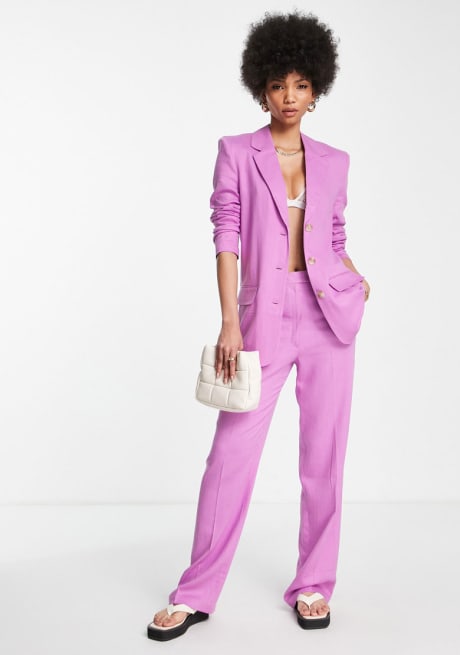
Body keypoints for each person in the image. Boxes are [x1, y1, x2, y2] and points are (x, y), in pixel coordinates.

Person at [147, 10, 371, 641]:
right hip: (261, 320)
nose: (289, 97)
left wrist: (356, 277)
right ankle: (195, 592)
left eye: (301, 85)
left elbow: (332, 237)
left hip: (329, 318)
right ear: (261, 89)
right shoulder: (236, 152)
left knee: (324, 459)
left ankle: (314, 584)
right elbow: (227, 234)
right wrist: (229, 322)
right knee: (230, 458)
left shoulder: (335, 160)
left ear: (316, 90)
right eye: (278, 85)